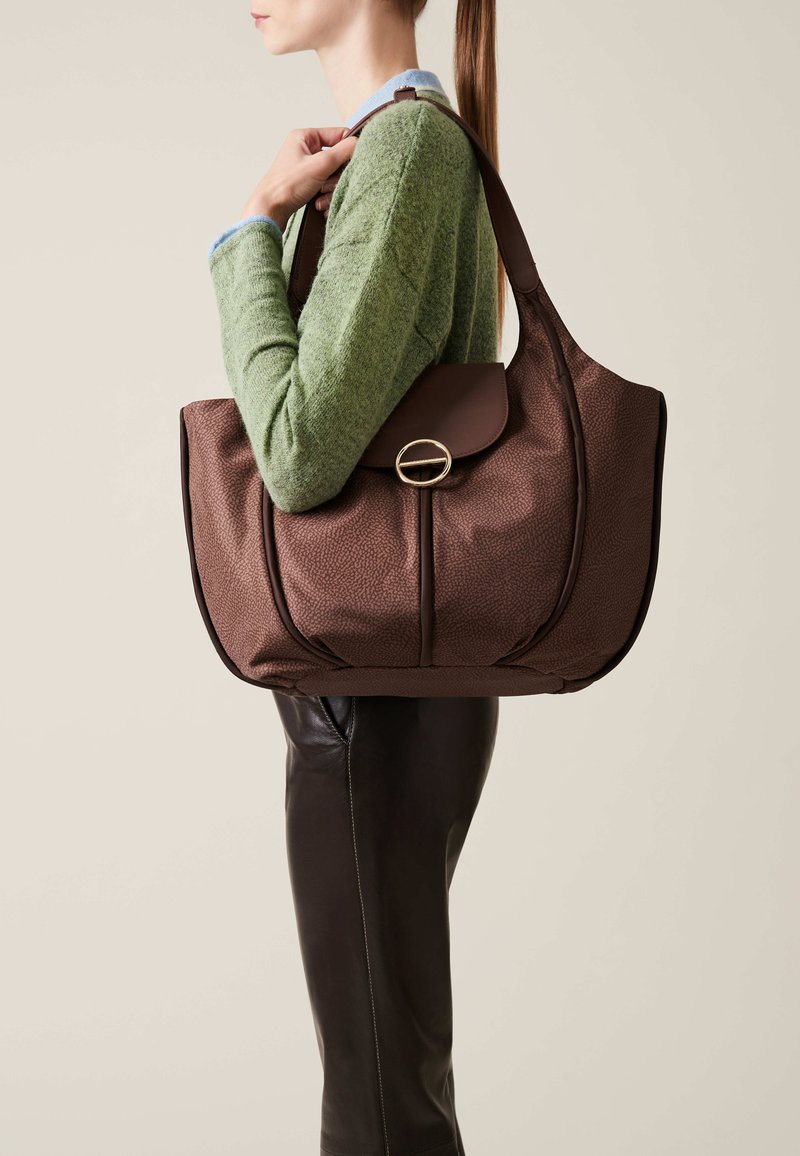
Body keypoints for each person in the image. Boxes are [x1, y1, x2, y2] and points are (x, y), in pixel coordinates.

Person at [207, 3, 501, 1153]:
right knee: (389, 1083)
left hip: (368, 697)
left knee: (382, 1104)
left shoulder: (408, 152)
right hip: (398, 676)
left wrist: (247, 231)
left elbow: (293, 452)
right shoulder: (405, 147)